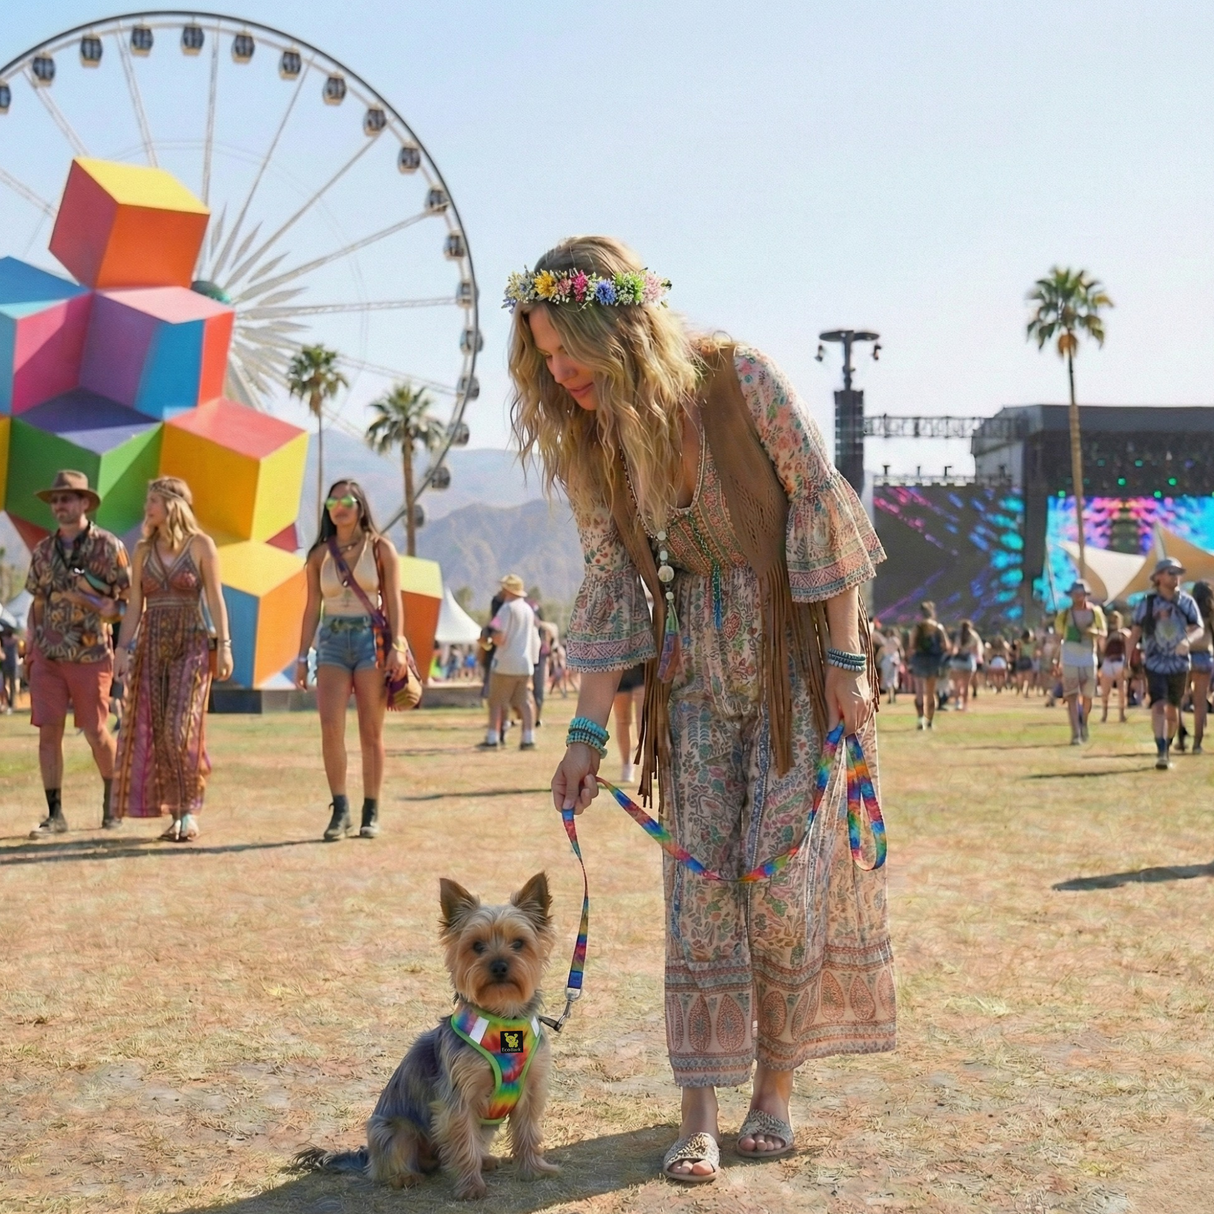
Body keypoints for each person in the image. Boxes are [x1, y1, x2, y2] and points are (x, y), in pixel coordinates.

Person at [510, 237, 894, 1182]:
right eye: (546, 359)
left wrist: (846, 660)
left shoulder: (739, 379)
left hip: (791, 668)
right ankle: (698, 1112)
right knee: (700, 894)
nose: (563, 377)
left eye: (573, 352)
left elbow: (820, 506)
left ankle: (775, 1089)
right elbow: (610, 582)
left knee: (776, 882)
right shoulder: (595, 442)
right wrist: (587, 734)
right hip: (692, 687)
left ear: (623, 330)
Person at [111, 478, 232, 840]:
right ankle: (178, 813)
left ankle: (190, 809)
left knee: (181, 729)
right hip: (151, 645)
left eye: (153, 501)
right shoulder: (143, 550)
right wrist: (122, 649)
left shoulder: (201, 546)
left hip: (191, 644)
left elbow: (215, 599)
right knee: (159, 730)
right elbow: (135, 606)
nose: (147, 507)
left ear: (173, 505)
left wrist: (224, 645)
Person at [295, 479, 407, 840]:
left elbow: (393, 601)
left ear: (360, 506)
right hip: (330, 640)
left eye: (346, 500)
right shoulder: (318, 555)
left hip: (369, 640)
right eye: (332, 500)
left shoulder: (380, 548)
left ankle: (370, 810)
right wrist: (301, 656)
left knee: (370, 731)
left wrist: (398, 646)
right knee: (330, 726)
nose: (338, 506)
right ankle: (339, 808)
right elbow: (312, 606)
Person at [24, 471, 130, 837]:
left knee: (96, 730)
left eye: (67, 499)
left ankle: (112, 802)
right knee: (47, 734)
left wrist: (93, 601)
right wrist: (32, 644)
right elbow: (37, 602)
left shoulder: (108, 546)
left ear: (85, 503)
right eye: (55, 500)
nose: (59, 506)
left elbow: (126, 606)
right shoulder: (42, 551)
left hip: (91, 656)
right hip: (48, 657)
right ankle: (55, 814)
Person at [1128, 558, 1204, 770]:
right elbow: (1135, 632)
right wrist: (1127, 660)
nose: (1175, 576)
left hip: (1180, 664)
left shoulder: (1186, 602)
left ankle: (1168, 744)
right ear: (1158, 577)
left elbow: (1198, 628)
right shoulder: (1147, 603)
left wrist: (1187, 641)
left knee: (1173, 709)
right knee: (1159, 705)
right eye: (1171, 572)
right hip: (1154, 662)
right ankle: (1161, 750)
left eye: (1178, 572)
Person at [479, 574, 540, 750]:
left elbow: (500, 637)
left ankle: (492, 738)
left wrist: (487, 639)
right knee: (523, 702)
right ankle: (528, 738)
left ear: (507, 590)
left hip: (505, 662)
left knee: (496, 702)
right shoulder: (528, 609)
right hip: (525, 663)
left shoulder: (505, 609)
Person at [1054, 580, 1107, 744]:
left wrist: (1094, 632)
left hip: (1088, 657)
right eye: (1076, 593)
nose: (1078, 596)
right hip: (1070, 656)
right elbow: (1059, 635)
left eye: (1081, 593)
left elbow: (1103, 632)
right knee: (1071, 695)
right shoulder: (1064, 614)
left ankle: (1083, 721)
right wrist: (1057, 660)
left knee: (1088, 695)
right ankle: (1075, 733)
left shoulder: (1095, 612)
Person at [909, 601, 948, 729]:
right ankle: (930, 721)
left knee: (919, 691)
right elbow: (946, 645)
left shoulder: (917, 628)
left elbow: (912, 646)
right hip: (933, 661)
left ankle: (920, 720)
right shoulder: (938, 627)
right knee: (931, 692)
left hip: (919, 660)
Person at [1186, 580, 1213, 754]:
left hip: (1185, 656)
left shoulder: (1187, 609)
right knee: (1200, 701)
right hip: (1204, 656)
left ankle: (1178, 735)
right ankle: (1197, 743)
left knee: (1179, 698)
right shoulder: (1211, 613)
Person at [611, 663, 646, 783]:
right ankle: (627, 764)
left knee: (643, 717)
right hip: (618, 668)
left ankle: (648, 762)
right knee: (623, 719)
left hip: (643, 663)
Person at [1099, 610, 1130, 724]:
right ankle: (1104, 714)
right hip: (1108, 661)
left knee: (1122, 689)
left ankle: (1122, 714)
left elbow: (1128, 647)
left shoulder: (1123, 633)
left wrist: (1127, 663)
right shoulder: (1106, 634)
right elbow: (1102, 650)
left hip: (1119, 661)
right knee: (1105, 690)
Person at [949, 619, 982, 711]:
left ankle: (957, 703)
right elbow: (977, 650)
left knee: (957, 685)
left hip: (957, 661)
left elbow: (954, 649)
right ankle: (965, 706)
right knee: (966, 685)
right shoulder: (974, 635)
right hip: (968, 661)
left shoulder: (958, 635)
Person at [0, 625, 18, 712]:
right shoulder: (6, 640)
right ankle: (8, 703)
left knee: (11, 685)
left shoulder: (13, 640)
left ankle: (11, 703)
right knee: (6, 685)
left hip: (11, 665)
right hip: (7, 665)